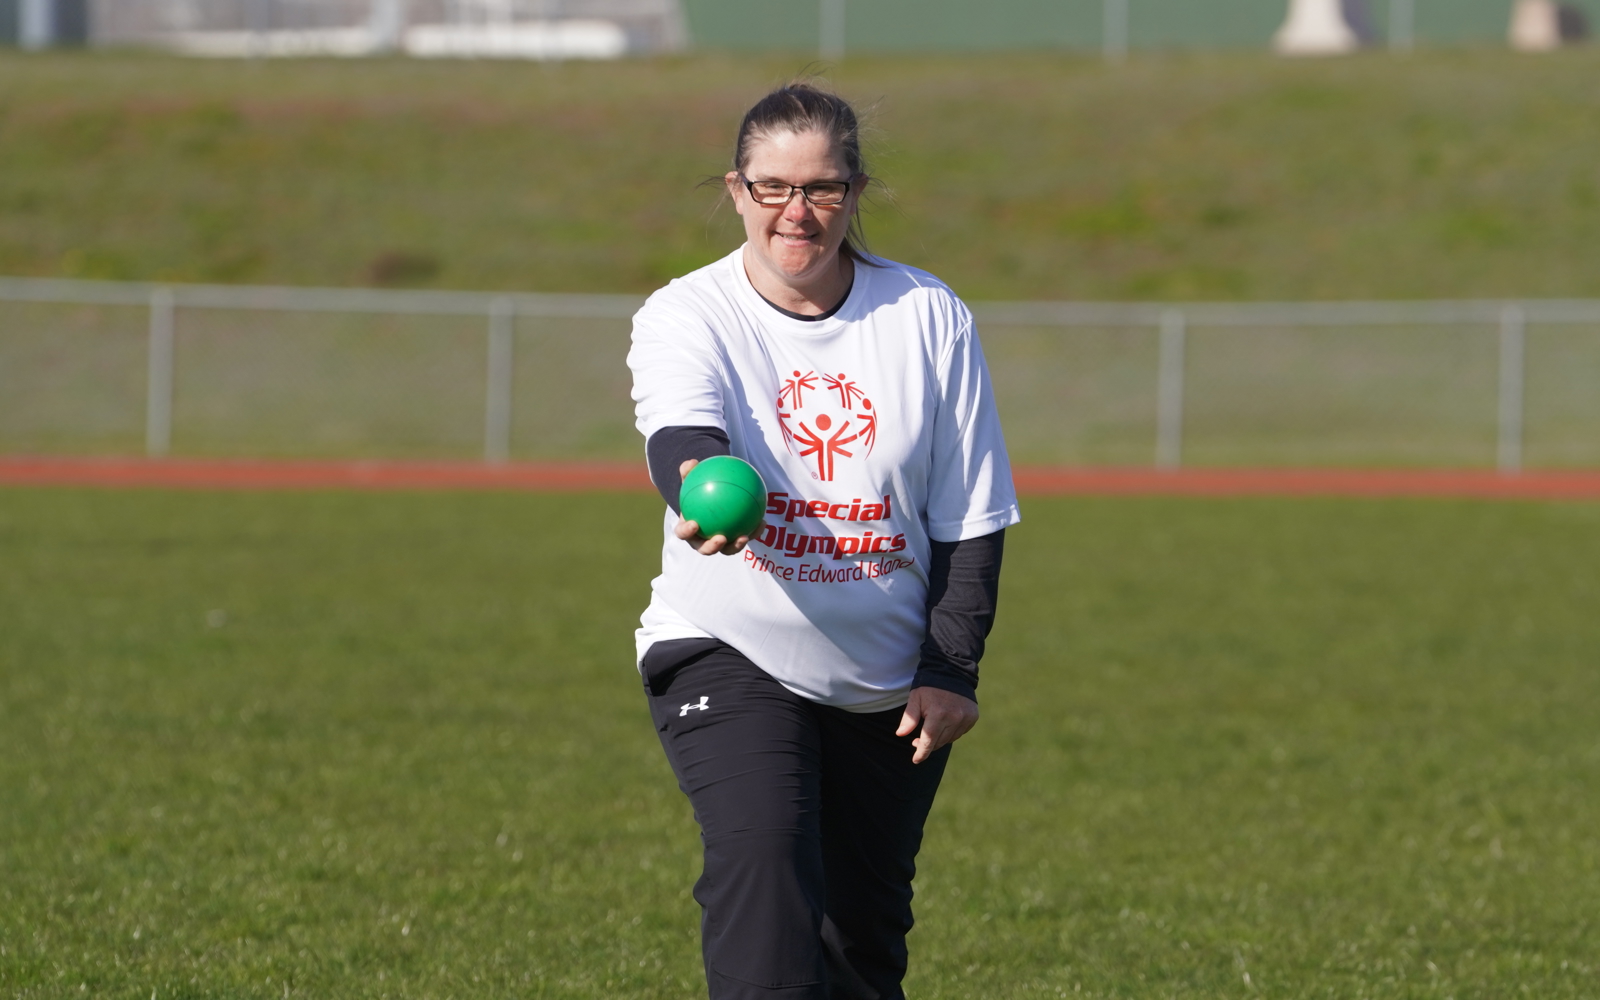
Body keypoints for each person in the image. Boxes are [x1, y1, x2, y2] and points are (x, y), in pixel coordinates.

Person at [626, 81, 1020, 1000]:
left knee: (861, 942)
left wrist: (952, 667)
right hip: (729, 644)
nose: (796, 213)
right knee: (763, 870)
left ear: (855, 190)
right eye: (772, 187)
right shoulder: (688, 312)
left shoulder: (926, 316)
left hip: (885, 680)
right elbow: (682, 435)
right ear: (736, 189)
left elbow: (971, 514)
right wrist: (697, 489)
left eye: (823, 189)